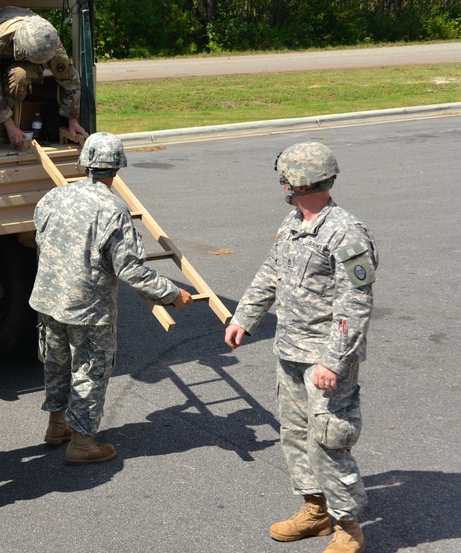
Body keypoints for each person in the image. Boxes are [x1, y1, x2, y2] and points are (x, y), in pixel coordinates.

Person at [224, 142, 376, 553]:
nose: (282, 184)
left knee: (329, 440)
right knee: (294, 434)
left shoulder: (346, 232)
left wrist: (334, 360)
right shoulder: (293, 223)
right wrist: (244, 318)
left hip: (324, 361)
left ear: (302, 182)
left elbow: (355, 303)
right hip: (290, 350)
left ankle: (349, 528)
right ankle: (315, 510)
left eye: (286, 178)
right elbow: (270, 272)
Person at [30, 132, 193, 465]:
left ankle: (56, 426)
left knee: (58, 365)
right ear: (116, 168)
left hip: (47, 299)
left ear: (84, 163)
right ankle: (81, 443)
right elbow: (130, 270)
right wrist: (172, 293)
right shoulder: (114, 210)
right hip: (88, 307)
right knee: (89, 369)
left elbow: (41, 241)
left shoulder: (53, 197)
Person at [0, 6, 89, 157]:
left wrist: (72, 120)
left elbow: (70, 80)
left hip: (22, 58)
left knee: (19, 76)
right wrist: (10, 126)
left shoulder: (49, 41)